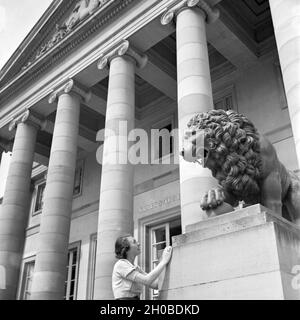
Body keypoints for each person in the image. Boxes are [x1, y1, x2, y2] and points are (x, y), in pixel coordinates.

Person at [112, 234, 172, 300]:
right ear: (126, 249)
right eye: (134, 242)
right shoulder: (121, 264)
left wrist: (167, 267)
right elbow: (147, 280)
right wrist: (163, 261)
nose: (139, 244)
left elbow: (155, 284)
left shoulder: (135, 267)